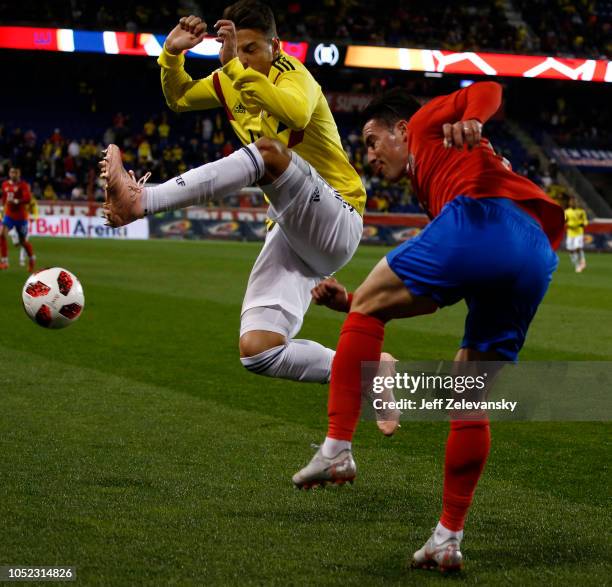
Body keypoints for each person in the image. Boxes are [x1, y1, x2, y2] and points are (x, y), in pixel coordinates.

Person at [292, 83, 565, 571]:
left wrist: (475, 117)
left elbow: (486, 87)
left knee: (371, 310)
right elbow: (442, 290)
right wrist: (356, 303)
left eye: (373, 141)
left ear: (400, 129)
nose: (370, 157)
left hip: (484, 219)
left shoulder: (422, 126)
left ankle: (336, 448)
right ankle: (448, 538)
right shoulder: (436, 180)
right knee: (467, 394)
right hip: (535, 253)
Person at [100, 0, 398, 432]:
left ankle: (141, 201)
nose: (243, 58)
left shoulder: (294, 75)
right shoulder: (231, 77)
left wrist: (234, 69)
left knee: (270, 154)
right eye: (237, 49)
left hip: (338, 214)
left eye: (252, 48)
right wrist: (171, 54)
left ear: (275, 46)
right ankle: (368, 372)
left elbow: (292, 114)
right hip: (291, 233)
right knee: (259, 350)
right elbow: (180, 97)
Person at [1, 167, 36, 272]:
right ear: (9, 173)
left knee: (23, 242)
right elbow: (4, 197)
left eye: (15, 172)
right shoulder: (5, 184)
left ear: (19, 174)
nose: (13, 174)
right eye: (12, 172)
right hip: (9, 216)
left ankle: (31, 259)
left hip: (21, 217)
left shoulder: (23, 185)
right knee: (2, 234)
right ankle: (5, 261)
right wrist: (3, 207)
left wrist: (17, 201)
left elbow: (28, 198)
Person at [564, 195, 588, 272]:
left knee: (578, 247)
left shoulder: (581, 211)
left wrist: (583, 224)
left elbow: (585, 221)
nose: (573, 202)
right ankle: (577, 264)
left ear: (576, 202)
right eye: (571, 201)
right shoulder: (567, 212)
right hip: (570, 232)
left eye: (574, 201)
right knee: (570, 249)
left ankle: (583, 262)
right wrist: (566, 224)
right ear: (569, 203)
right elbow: (564, 221)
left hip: (579, 232)